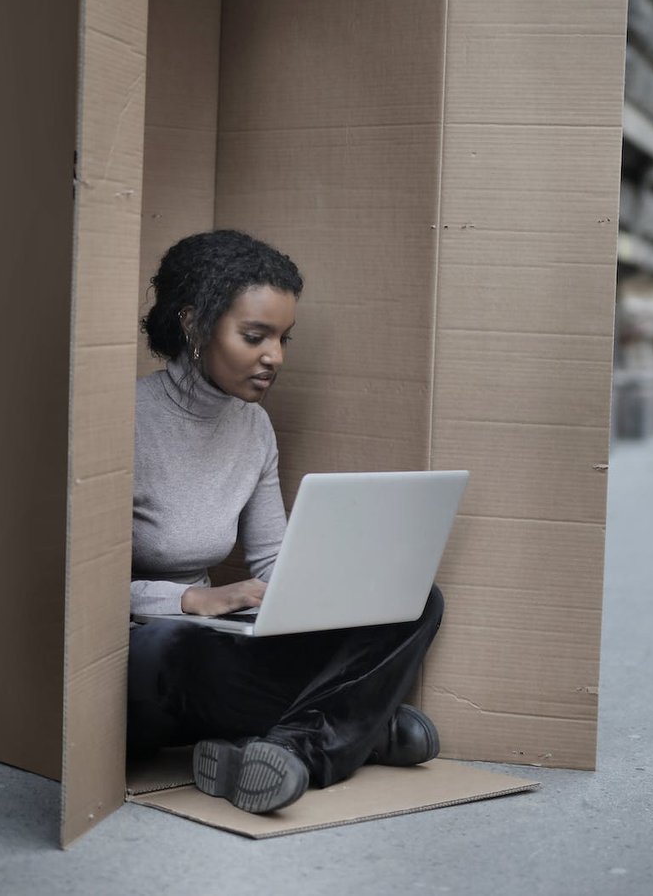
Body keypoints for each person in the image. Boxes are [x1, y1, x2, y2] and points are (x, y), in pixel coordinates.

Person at [126, 229, 445, 815]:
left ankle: (286, 750)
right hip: (149, 650)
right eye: (255, 336)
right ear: (194, 324)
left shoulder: (254, 428)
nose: (275, 356)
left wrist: (343, 587)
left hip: (227, 640)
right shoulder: (124, 421)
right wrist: (195, 601)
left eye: (282, 338)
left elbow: (273, 562)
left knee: (416, 600)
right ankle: (361, 735)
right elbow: (74, 591)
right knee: (170, 650)